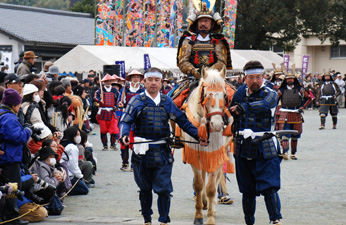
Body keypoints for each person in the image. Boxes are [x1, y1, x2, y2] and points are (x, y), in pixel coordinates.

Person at [120, 67, 207, 225]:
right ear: (144, 82)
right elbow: (125, 121)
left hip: (163, 152)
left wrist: (199, 136)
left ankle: (164, 220)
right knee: (145, 189)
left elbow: (182, 121)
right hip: (142, 153)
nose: (153, 83)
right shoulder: (136, 101)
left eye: (157, 80)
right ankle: (147, 219)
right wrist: (124, 135)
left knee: (164, 190)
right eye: (150, 80)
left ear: (161, 83)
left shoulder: (167, 102)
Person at [229, 61, 282, 225]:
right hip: (243, 147)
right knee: (247, 190)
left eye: (258, 77)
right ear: (245, 79)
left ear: (264, 77)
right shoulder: (239, 93)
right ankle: (249, 221)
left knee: (269, 187)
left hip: (265, 146)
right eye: (251, 77)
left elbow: (266, 105)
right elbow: (232, 111)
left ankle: (275, 220)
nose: (255, 81)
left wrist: (243, 108)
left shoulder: (270, 93)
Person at [172, 2, 232, 108]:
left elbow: (222, 62)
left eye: (206, 21)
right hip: (192, 78)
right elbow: (183, 62)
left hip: (215, 79)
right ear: (196, 23)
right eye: (201, 21)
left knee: (233, 97)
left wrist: (208, 74)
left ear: (212, 24)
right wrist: (195, 72)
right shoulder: (188, 40)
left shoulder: (218, 41)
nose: (203, 23)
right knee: (173, 101)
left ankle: (231, 121)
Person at [0, 89, 38, 225]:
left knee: (5, 189)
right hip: (9, 159)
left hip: (5, 158)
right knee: (12, 189)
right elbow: (17, 137)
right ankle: (12, 218)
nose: (19, 107)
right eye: (18, 104)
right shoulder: (9, 117)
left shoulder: (2, 114)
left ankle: (6, 217)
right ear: (13, 105)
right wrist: (28, 130)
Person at [276, 72, 312, 160]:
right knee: (284, 134)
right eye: (288, 79)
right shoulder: (281, 90)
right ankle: (285, 152)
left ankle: (293, 153)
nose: (290, 80)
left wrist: (303, 107)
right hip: (284, 113)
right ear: (285, 80)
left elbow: (309, 98)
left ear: (294, 80)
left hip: (296, 113)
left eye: (291, 79)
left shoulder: (300, 89)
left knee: (295, 135)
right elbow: (274, 100)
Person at [117, 70, 145, 170]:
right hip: (126, 116)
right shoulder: (125, 89)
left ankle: (134, 164)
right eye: (134, 77)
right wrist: (120, 104)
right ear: (131, 78)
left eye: (137, 77)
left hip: (138, 117)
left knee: (135, 142)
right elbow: (120, 102)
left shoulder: (142, 89)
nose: (136, 79)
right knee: (123, 140)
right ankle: (125, 163)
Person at [60, 127, 89, 195]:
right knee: (84, 190)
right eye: (77, 135)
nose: (79, 137)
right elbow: (73, 165)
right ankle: (66, 190)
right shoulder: (73, 148)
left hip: (64, 171)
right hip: (68, 174)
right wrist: (80, 176)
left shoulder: (63, 143)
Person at [94, 74, 119, 151]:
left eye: (109, 81)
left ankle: (113, 144)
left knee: (114, 129)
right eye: (106, 81)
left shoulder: (114, 90)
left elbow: (118, 100)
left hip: (112, 112)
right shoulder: (100, 90)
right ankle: (105, 145)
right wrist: (99, 100)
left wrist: (116, 106)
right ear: (104, 82)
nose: (108, 82)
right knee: (103, 130)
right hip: (103, 111)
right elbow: (95, 97)